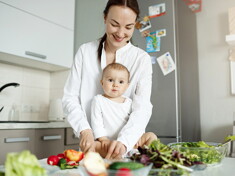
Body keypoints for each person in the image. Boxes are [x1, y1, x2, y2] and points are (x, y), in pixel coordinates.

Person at [62, 0, 154, 159]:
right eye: (115, 24)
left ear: (135, 25)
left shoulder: (141, 59)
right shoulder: (85, 52)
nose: (120, 33)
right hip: (94, 146)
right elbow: (70, 98)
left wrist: (124, 142)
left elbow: (142, 107)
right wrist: (85, 130)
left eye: (128, 27)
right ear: (105, 18)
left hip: (129, 146)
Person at [91, 63, 157, 158]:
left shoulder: (129, 102)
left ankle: (146, 156)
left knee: (151, 136)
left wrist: (137, 136)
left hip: (130, 142)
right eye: (110, 80)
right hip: (109, 142)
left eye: (121, 82)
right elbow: (96, 122)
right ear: (102, 83)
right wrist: (103, 139)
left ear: (127, 86)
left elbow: (136, 121)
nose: (115, 85)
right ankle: (118, 156)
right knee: (94, 146)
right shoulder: (98, 100)